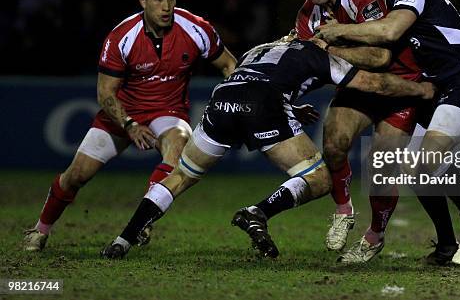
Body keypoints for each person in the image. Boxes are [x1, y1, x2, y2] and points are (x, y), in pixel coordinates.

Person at [100, 34, 435, 259]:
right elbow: (373, 82)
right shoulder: (318, 53)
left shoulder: (258, 49)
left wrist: (287, 105)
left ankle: (123, 239)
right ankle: (258, 211)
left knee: (180, 176)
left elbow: (266, 76)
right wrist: (419, 91)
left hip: (223, 98)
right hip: (261, 103)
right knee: (319, 178)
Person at [23, 0, 237, 252]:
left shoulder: (196, 28)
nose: (167, 6)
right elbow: (105, 94)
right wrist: (130, 124)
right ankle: (41, 230)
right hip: (123, 114)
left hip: (168, 110)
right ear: (143, 1)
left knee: (179, 145)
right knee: (76, 176)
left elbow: (229, 65)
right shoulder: (122, 37)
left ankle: (144, 220)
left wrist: (236, 100)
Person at [316, 0, 460, 265]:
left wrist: (336, 32)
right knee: (416, 169)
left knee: (425, 161)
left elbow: (389, 31)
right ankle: (447, 246)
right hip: (433, 89)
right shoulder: (393, 0)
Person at [295, 0, 423, 263]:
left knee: (380, 169)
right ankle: (343, 210)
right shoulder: (307, 15)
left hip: (399, 84)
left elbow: (381, 56)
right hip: (359, 84)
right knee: (334, 142)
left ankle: (374, 236)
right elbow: (304, 62)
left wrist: (332, 48)